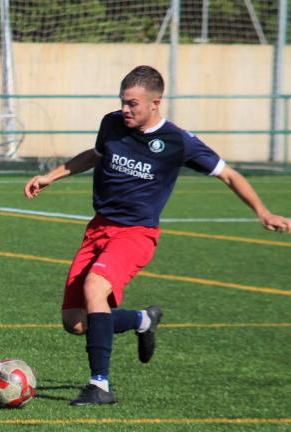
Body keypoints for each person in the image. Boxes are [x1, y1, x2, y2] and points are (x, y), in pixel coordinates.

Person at [23, 65, 291, 406]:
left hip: (136, 233)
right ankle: (143, 320)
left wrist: (263, 212)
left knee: (95, 287)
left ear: (155, 103)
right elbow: (97, 154)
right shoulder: (112, 124)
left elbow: (229, 174)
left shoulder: (178, 142)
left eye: (132, 103)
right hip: (98, 227)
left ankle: (100, 386)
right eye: (122, 101)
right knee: (75, 323)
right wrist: (52, 175)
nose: (125, 109)